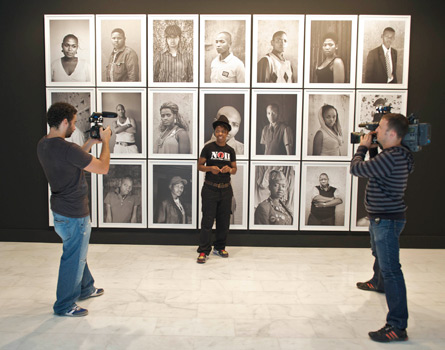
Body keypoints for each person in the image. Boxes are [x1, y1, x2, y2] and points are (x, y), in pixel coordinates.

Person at [37, 102, 111, 317]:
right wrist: (105, 142)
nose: (75, 126)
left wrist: (89, 143)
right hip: (74, 214)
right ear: (64, 122)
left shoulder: (43, 144)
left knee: (76, 250)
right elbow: (102, 167)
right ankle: (64, 305)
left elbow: (72, 159)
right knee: (73, 257)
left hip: (60, 212)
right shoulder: (67, 148)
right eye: (74, 122)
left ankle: (86, 287)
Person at [350, 113, 413, 342]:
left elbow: (357, 169)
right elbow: (377, 171)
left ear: (393, 134)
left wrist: (362, 149)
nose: (375, 132)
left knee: (392, 271)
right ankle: (378, 282)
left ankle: (397, 326)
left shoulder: (392, 157)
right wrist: (375, 149)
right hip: (384, 218)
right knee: (379, 255)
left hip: (385, 220)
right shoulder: (397, 155)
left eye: (380, 128)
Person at [197, 115, 237, 264]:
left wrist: (229, 169)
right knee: (207, 221)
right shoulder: (208, 148)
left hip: (226, 190)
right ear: (215, 132)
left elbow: (235, 169)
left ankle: (219, 247)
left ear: (227, 134)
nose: (220, 133)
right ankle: (203, 250)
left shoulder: (230, 150)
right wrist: (210, 168)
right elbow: (199, 166)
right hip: (210, 189)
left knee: (223, 221)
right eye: (218, 131)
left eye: (223, 131)